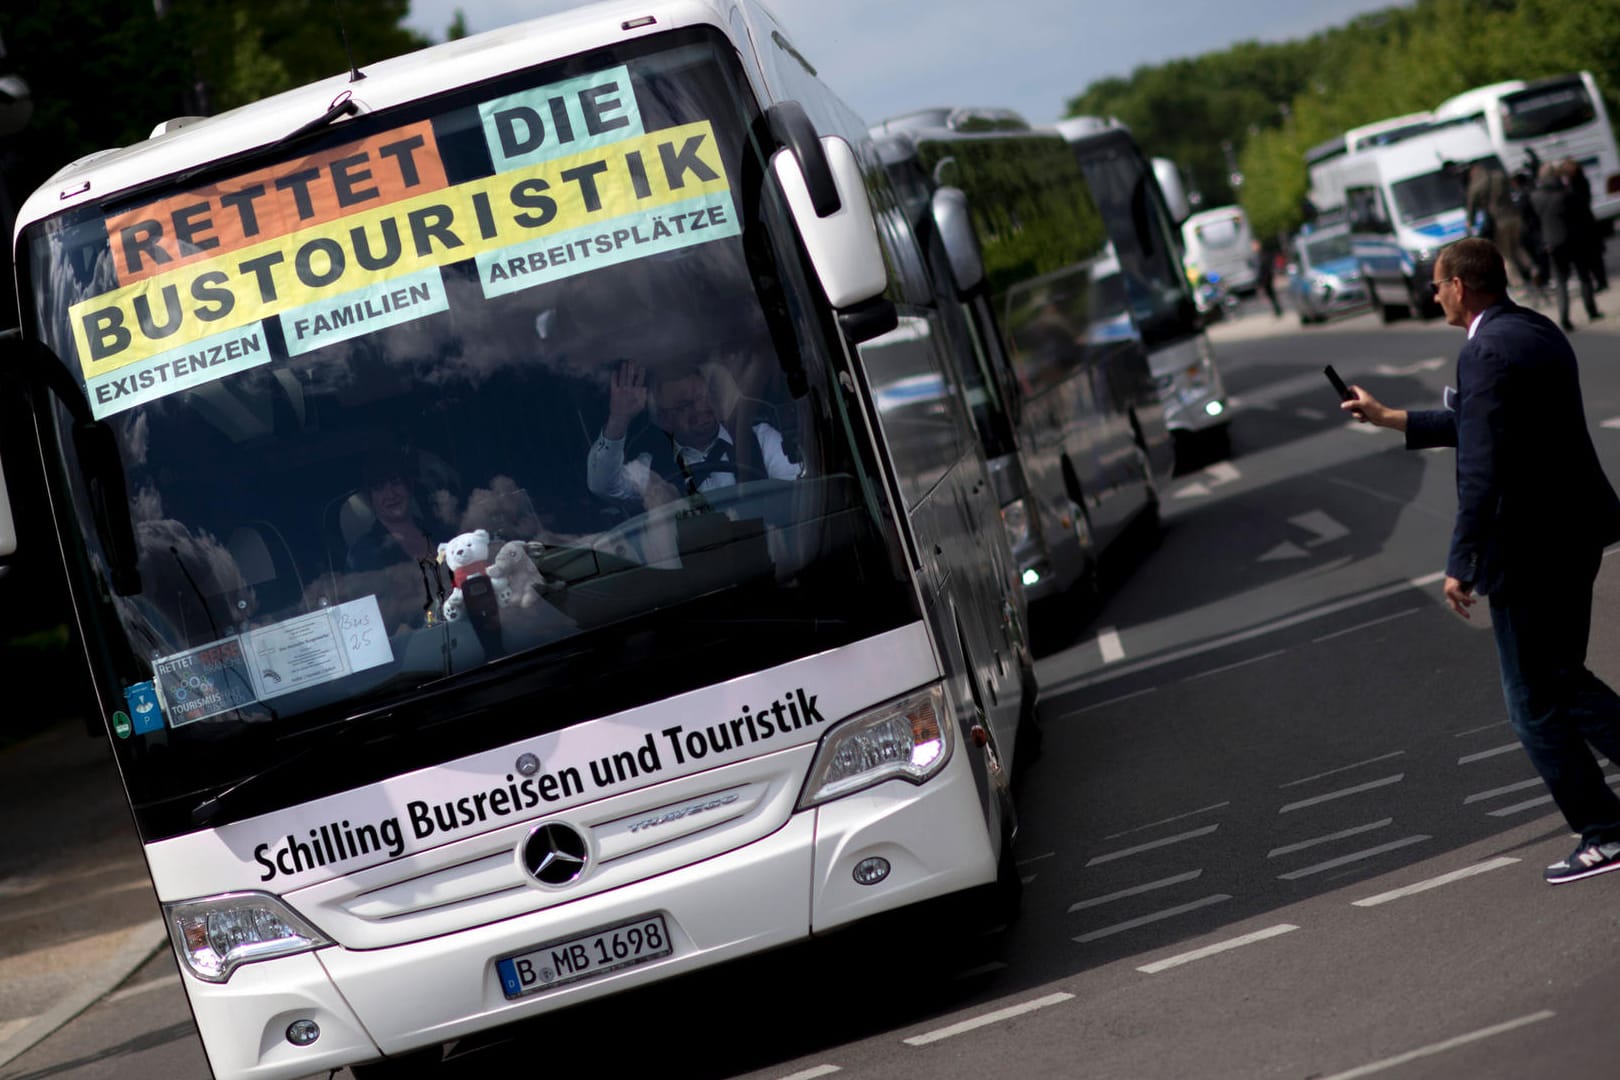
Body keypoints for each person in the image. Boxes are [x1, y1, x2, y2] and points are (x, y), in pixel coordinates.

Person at [1339, 237, 1620, 885]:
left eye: (1437, 284)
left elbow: (1481, 464)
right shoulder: (1534, 331)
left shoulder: (1484, 352)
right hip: (1574, 536)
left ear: (1462, 287)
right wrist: (1388, 417)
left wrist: (1461, 559)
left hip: (1527, 552)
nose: (1431, 293)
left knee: (1534, 704)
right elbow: (1480, 423)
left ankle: (1604, 831)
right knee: (1561, 679)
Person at [586, 360, 803, 508]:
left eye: (704, 397)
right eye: (685, 405)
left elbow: (796, 496)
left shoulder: (760, 439)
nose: (701, 408)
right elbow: (602, 485)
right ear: (664, 419)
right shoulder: (651, 466)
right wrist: (619, 418)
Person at [1530, 162, 1602, 331]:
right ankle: (1591, 310)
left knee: (1561, 281)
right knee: (1584, 276)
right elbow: (1580, 214)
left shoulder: (1535, 197)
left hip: (1552, 243)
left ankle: (1564, 318)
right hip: (1573, 240)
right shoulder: (1566, 194)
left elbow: (1533, 222)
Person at [346, 446, 439, 573]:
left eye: (396, 482)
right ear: (370, 498)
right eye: (379, 487)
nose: (391, 494)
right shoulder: (364, 553)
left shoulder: (438, 530)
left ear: (409, 485)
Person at [1466, 162, 1535, 290]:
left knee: (1505, 255)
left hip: (1499, 223)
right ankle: (1533, 269)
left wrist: (1470, 226)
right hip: (1515, 217)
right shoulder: (1499, 176)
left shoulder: (1475, 187)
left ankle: (1518, 285)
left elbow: (1471, 211)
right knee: (1517, 247)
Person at [1558, 157, 1608, 293]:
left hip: (1584, 225)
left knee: (1593, 257)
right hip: (1586, 223)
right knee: (1594, 256)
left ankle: (1601, 281)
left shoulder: (1576, 184)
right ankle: (1600, 280)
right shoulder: (1577, 182)